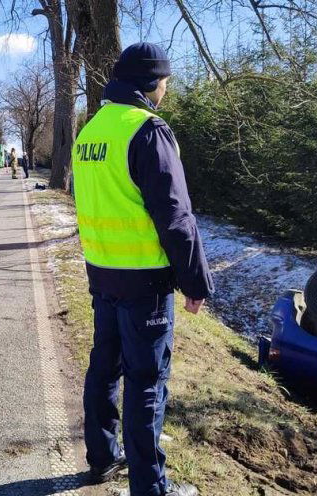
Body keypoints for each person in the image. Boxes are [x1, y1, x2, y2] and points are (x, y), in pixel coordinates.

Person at [72, 42, 213, 496]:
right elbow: (175, 216)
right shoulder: (148, 130)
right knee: (146, 384)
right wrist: (195, 282)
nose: (167, 89)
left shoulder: (91, 130)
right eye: (166, 81)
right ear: (152, 83)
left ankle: (101, 459)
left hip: (102, 273)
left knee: (104, 370)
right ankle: (150, 489)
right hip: (145, 284)